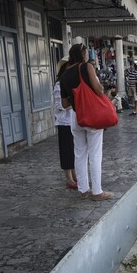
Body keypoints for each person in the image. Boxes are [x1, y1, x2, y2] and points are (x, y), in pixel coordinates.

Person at [60, 43, 114, 201]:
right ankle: (97, 192)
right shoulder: (86, 67)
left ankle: (83, 189)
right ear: (83, 54)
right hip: (91, 116)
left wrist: (77, 98)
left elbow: (64, 104)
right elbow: (98, 90)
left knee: (80, 153)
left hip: (76, 117)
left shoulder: (65, 75)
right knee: (95, 154)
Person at [53, 56, 77, 190]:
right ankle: (69, 178)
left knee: (73, 150)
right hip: (64, 122)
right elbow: (60, 105)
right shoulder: (59, 85)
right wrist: (73, 101)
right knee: (66, 151)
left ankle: (73, 175)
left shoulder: (69, 83)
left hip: (72, 120)